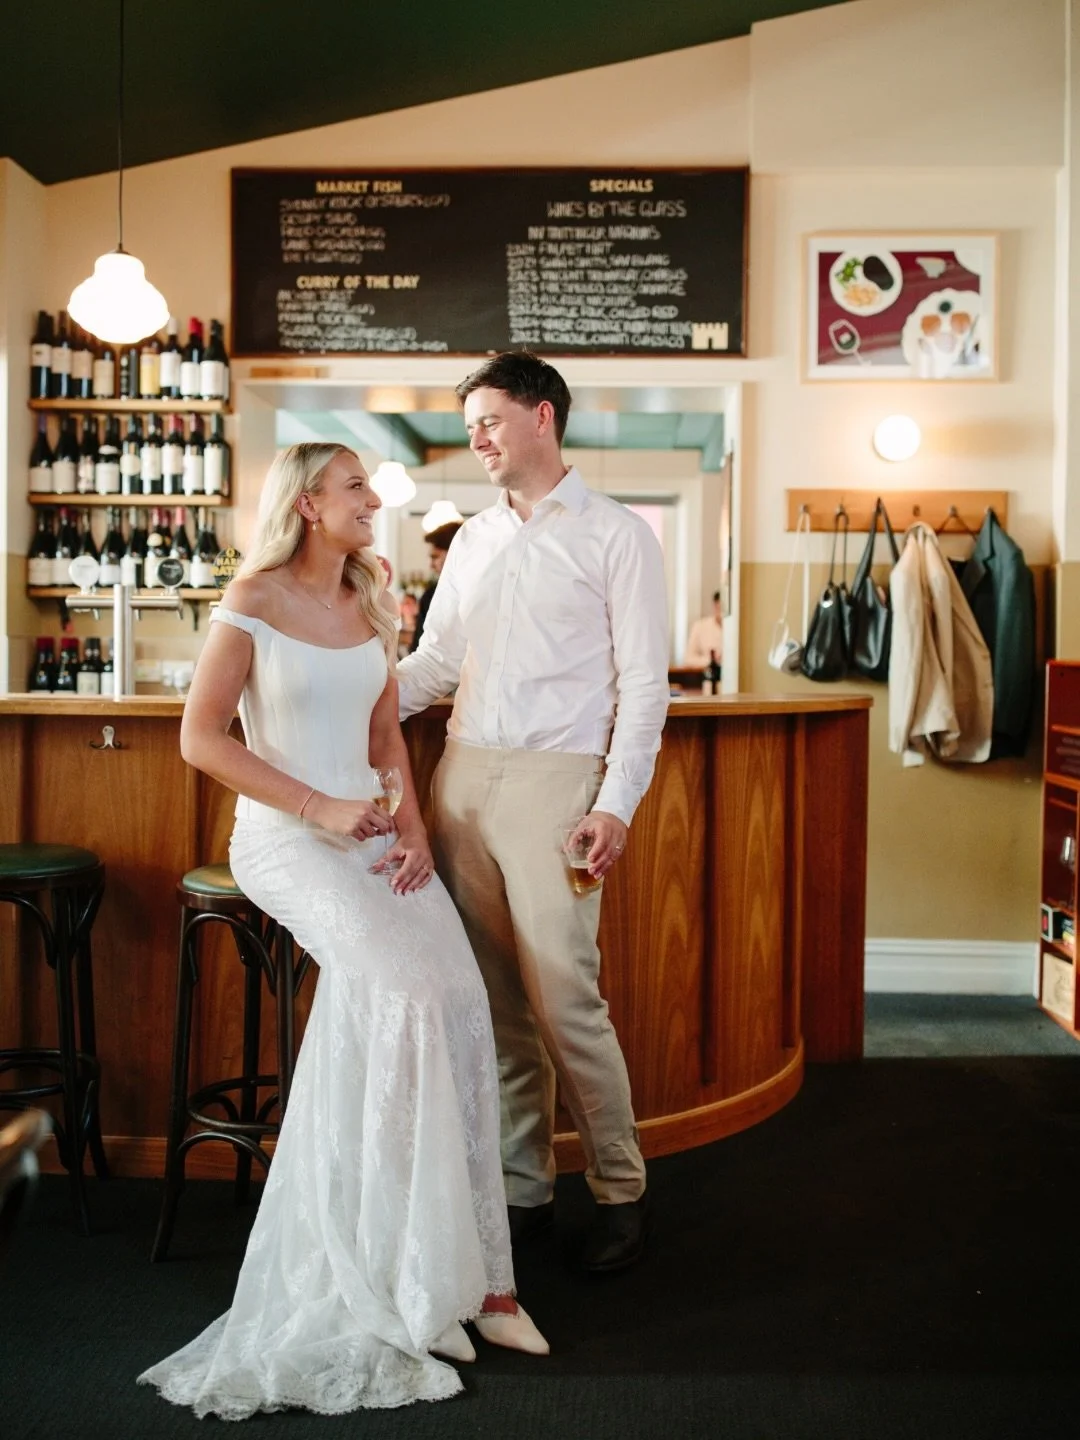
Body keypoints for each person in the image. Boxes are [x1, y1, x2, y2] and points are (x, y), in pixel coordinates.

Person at [138, 443, 547, 1423]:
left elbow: (383, 740)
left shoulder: (371, 598)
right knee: (401, 997)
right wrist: (318, 806)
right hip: (286, 843)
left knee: (459, 1001)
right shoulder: (252, 598)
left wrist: (412, 831)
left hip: (374, 836)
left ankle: (483, 1283)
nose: (373, 498)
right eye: (356, 485)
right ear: (309, 505)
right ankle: (399, 1272)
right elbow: (200, 738)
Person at [397, 353, 669, 1273]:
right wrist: (342, 700)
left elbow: (645, 688)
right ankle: (525, 1191)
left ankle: (621, 1189)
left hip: (559, 787)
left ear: (542, 416)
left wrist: (616, 805)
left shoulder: (617, 536)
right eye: (470, 425)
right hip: (462, 779)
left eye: (489, 420)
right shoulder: (473, 539)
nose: (476, 439)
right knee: (496, 1006)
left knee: (566, 1003)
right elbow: (436, 665)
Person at [409, 520, 462, 653]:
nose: (431, 565)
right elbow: (418, 648)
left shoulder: (485, 593)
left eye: (435, 557)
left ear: (454, 554)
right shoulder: (430, 596)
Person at [684, 591, 723, 669]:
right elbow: (689, 658)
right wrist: (711, 661)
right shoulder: (700, 626)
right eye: (720, 607)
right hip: (707, 673)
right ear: (715, 605)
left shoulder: (739, 628)